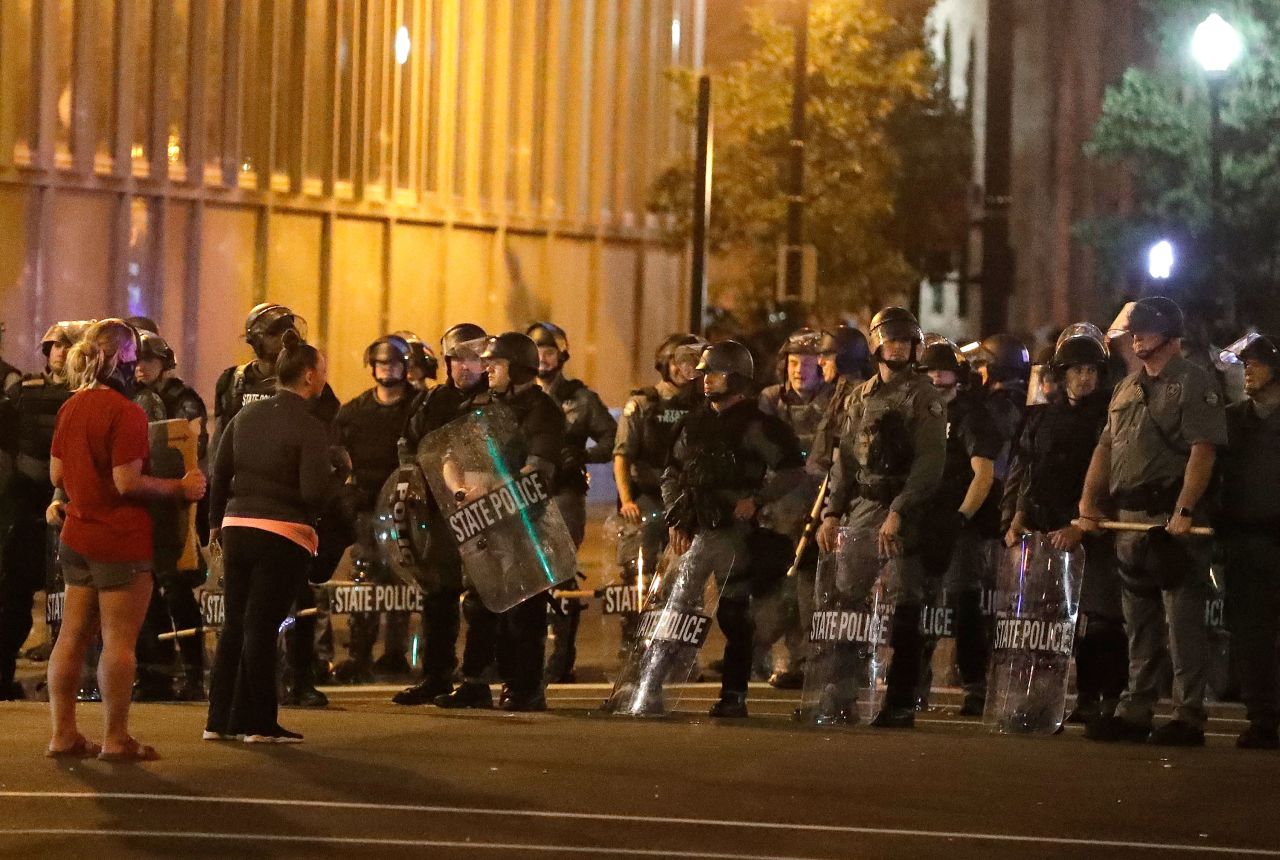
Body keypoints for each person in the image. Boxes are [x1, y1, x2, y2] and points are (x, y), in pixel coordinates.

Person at [45, 319, 205, 760]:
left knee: (72, 637)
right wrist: (180, 488)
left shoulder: (70, 407)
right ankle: (116, 738)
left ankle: (63, 734)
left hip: (76, 536)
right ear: (121, 361)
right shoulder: (126, 412)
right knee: (119, 642)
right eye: (133, 361)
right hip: (119, 539)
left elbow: (57, 474)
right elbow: (127, 482)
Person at [1079, 296, 1226, 747]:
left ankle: (1188, 714)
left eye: (1143, 329)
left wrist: (1184, 509)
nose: (1135, 336)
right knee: (1138, 621)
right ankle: (1136, 707)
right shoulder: (1126, 388)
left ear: (1168, 333)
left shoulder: (1194, 382)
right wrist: (1089, 502)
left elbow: (1203, 449)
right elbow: (1105, 449)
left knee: (1182, 620)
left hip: (1170, 520)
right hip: (1130, 519)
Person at [205, 333, 348, 744]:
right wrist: (340, 474)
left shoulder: (244, 417)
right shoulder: (310, 426)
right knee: (262, 626)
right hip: (281, 534)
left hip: (236, 528)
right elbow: (313, 493)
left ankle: (218, 720)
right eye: (322, 371)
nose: (324, 378)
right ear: (308, 377)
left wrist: (217, 523)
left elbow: (220, 471)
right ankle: (259, 722)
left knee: (234, 623)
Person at [816, 307, 946, 729]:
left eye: (906, 341)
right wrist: (832, 512)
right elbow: (846, 462)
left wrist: (899, 512)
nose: (900, 348)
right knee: (848, 603)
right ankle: (841, 693)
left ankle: (902, 700)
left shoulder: (924, 397)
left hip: (902, 509)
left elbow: (930, 464)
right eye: (892, 340)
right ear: (876, 344)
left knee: (905, 605)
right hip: (863, 509)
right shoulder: (860, 396)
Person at [663, 341, 805, 718]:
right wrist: (676, 519)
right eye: (705, 372)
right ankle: (648, 687)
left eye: (715, 372)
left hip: (732, 533)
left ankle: (733, 695)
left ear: (738, 378)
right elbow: (672, 474)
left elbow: (792, 470)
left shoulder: (757, 426)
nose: (706, 379)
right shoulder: (693, 422)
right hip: (693, 530)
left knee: (733, 615)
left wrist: (757, 499)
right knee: (671, 610)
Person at [435, 332, 565, 712]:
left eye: (496, 363)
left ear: (519, 369)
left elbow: (538, 472)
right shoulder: (478, 406)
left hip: (523, 521)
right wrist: (459, 489)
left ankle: (524, 686)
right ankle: (475, 682)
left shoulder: (542, 410)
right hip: (480, 520)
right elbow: (449, 454)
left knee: (524, 606)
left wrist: (487, 489)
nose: (486, 368)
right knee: (478, 603)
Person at [1005, 324, 1125, 724]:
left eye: (1091, 369)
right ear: (1062, 374)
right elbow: (1029, 472)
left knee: (1098, 619)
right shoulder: (1043, 418)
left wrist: (1083, 525)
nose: (1084, 377)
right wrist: (1019, 517)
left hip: (1092, 532)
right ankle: (1048, 698)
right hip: (1048, 533)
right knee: (1051, 622)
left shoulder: (1110, 417)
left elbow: (1113, 478)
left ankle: (1101, 697)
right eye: (1076, 370)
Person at [391, 323, 489, 705]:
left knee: (480, 597)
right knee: (438, 594)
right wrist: (410, 479)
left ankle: (476, 681)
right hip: (438, 510)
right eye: (459, 359)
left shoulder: (493, 400)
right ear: (447, 363)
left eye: (476, 359)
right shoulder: (431, 402)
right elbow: (408, 443)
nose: (467, 367)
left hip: (483, 511)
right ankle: (436, 676)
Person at [915, 335, 1000, 715]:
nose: (936, 377)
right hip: (920, 519)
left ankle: (975, 685)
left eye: (944, 370)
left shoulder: (970, 415)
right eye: (930, 370)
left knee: (963, 604)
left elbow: (983, 474)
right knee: (914, 603)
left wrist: (961, 517)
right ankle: (913, 682)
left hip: (958, 522)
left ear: (959, 376)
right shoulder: (916, 412)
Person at [527, 322, 617, 683]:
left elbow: (612, 439)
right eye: (537, 352)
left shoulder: (580, 399)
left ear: (562, 355)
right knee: (522, 574)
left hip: (564, 492)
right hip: (524, 493)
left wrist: (580, 456)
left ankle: (562, 657)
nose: (543, 359)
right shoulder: (517, 396)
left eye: (549, 351)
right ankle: (520, 654)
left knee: (561, 573)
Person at [0, 321, 85, 700]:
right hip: (27, 504)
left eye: (68, 345)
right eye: (55, 345)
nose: (61, 352)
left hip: (73, 504)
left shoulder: (89, 393)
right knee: (15, 597)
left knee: (73, 601)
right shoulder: (23, 391)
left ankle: (71, 680)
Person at [332, 335, 419, 683]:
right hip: (367, 509)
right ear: (373, 368)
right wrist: (347, 490)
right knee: (365, 582)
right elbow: (336, 453)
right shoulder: (354, 412)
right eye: (383, 365)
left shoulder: (417, 407)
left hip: (408, 509)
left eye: (395, 364)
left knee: (402, 579)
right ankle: (360, 653)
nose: (388, 370)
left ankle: (395, 654)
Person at [612, 334, 706, 651]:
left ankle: (677, 640)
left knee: (686, 575)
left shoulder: (703, 406)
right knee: (637, 569)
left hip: (688, 500)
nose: (688, 369)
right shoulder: (642, 404)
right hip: (648, 498)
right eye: (682, 362)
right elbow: (622, 457)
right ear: (665, 366)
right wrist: (626, 500)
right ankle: (634, 635)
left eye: (695, 362)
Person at [131, 328, 211, 701]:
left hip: (177, 504)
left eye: (148, 360)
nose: (141, 367)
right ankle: (155, 671)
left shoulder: (184, 399)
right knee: (144, 591)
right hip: (142, 501)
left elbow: (191, 443)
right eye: (136, 360)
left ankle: (195, 670)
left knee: (177, 589)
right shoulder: (129, 397)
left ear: (164, 363)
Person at [754, 328, 833, 688]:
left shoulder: (834, 399)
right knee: (774, 584)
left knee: (810, 587)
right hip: (778, 503)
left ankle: (803, 659)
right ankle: (766, 653)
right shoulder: (771, 399)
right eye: (792, 362)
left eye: (806, 362)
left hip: (820, 502)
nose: (798, 369)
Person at [1217, 332, 1280, 749]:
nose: (1248, 370)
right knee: (1250, 633)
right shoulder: (1231, 419)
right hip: (1244, 541)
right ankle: (1263, 718)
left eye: (1257, 362)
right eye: (1245, 363)